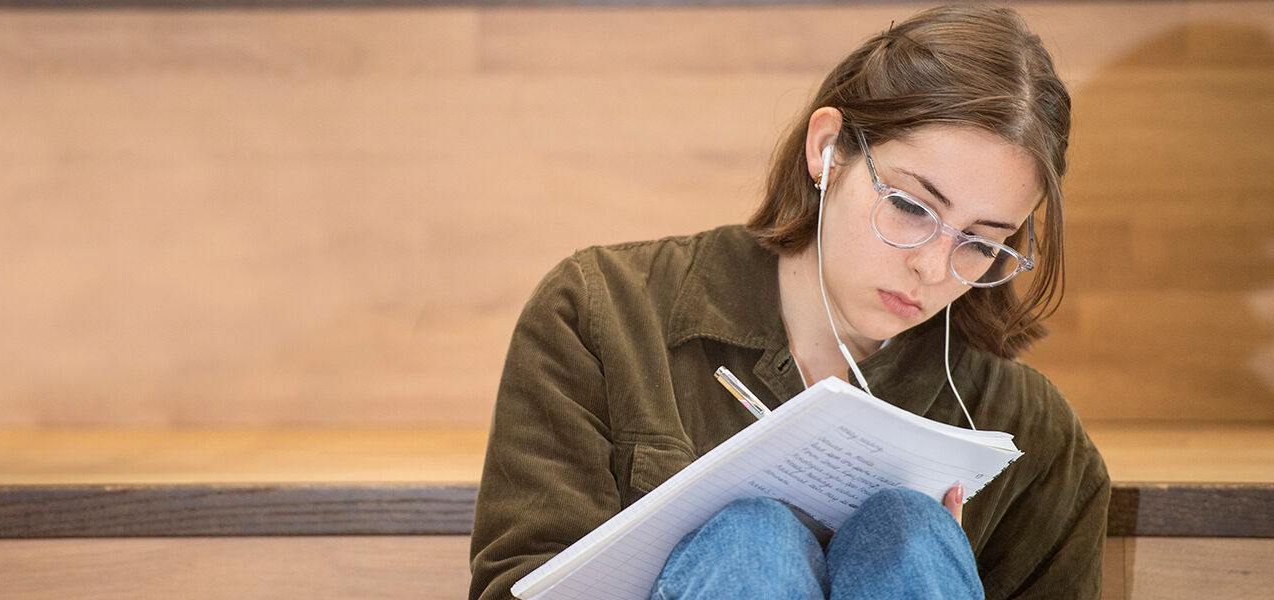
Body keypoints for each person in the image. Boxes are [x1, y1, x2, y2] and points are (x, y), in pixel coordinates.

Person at [469, 4, 1110, 599]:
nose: (932, 267)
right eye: (912, 208)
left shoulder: (1029, 432)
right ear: (826, 149)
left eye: (980, 243)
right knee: (755, 542)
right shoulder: (601, 312)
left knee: (909, 534)